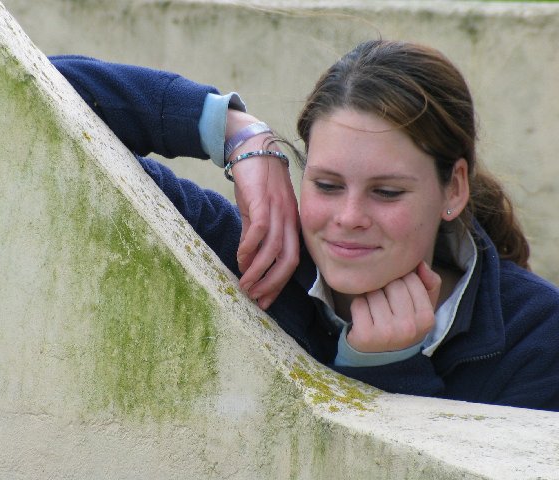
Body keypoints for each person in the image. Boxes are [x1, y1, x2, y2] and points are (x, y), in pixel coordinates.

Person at [50, 40, 559, 411]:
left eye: (387, 192)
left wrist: (387, 371)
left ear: (454, 189)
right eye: (327, 185)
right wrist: (234, 132)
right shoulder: (247, 255)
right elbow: (31, 91)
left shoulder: (538, 332)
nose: (349, 218)